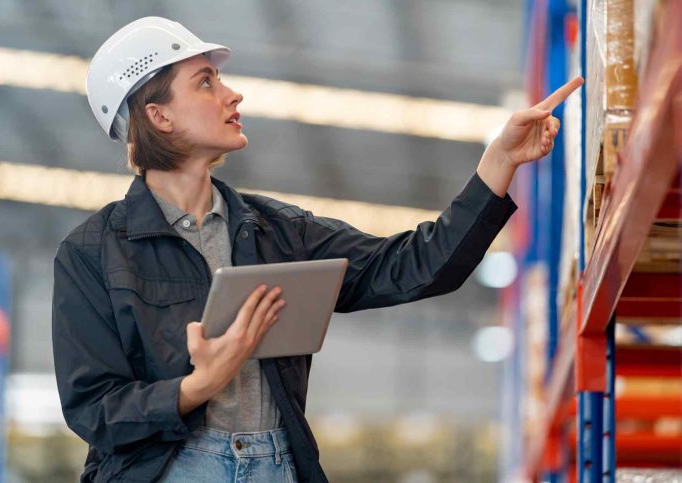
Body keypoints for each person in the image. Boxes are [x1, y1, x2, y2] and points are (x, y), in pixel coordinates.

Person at [52, 16, 583, 483]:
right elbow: (94, 410)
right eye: (206, 82)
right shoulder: (92, 255)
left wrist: (495, 168)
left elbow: (415, 267)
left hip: (278, 466)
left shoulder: (278, 232)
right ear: (158, 116)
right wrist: (196, 387)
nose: (233, 95)